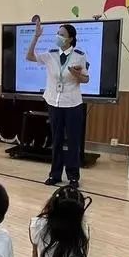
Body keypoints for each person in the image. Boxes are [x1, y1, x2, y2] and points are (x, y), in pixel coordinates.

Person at [25, 21, 89, 188]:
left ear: (70, 39)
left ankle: (73, 176)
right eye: (58, 33)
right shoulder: (51, 54)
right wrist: (36, 36)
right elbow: (29, 56)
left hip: (73, 103)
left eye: (62, 34)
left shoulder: (79, 55)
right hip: (54, 102)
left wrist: (77, 75)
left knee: (73, 141)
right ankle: (55, 175)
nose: (58, 37)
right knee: (57, 140)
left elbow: (86, 79)